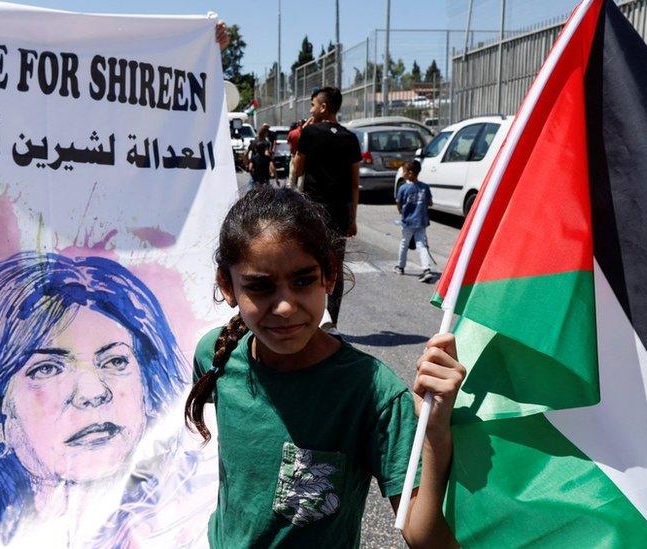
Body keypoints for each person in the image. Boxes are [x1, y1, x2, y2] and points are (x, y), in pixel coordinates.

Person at [185, 187, 464, 548]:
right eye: (260, 287)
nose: (285, 307)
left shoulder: (373, 392)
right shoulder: (215, 355)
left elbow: (423, 536)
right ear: (228, 285)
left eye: (302, 281)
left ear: (329, 275)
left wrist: (435, 434)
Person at [0, 252, 190, 546]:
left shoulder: (194, 523)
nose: (94, 392)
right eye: (47, 369)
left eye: (115, 361)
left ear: (149, 388)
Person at [291, 87, 362, 330]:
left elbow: (297, 169)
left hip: (313, 211)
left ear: (323, 108)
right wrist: (352, 218)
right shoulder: (350, 138)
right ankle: (332, 321)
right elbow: (354, 184)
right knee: (336, 266)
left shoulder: (310, 132)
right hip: (340, 212)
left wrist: (303, 133)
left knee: (310, 263)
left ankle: (312, 318)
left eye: (313, 105)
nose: (310, 109)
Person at [395, 159, 434, 283]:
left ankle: (400, 267)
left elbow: (399, 204)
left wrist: (402, 212)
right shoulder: (425, 187)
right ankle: (426, 269)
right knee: (421, 244)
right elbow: (430, 203)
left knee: (404, 243)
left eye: (404, 172)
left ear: (410, 173)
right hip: (421, 221)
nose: (402, 174)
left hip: (407, 222)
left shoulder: (403, 188)